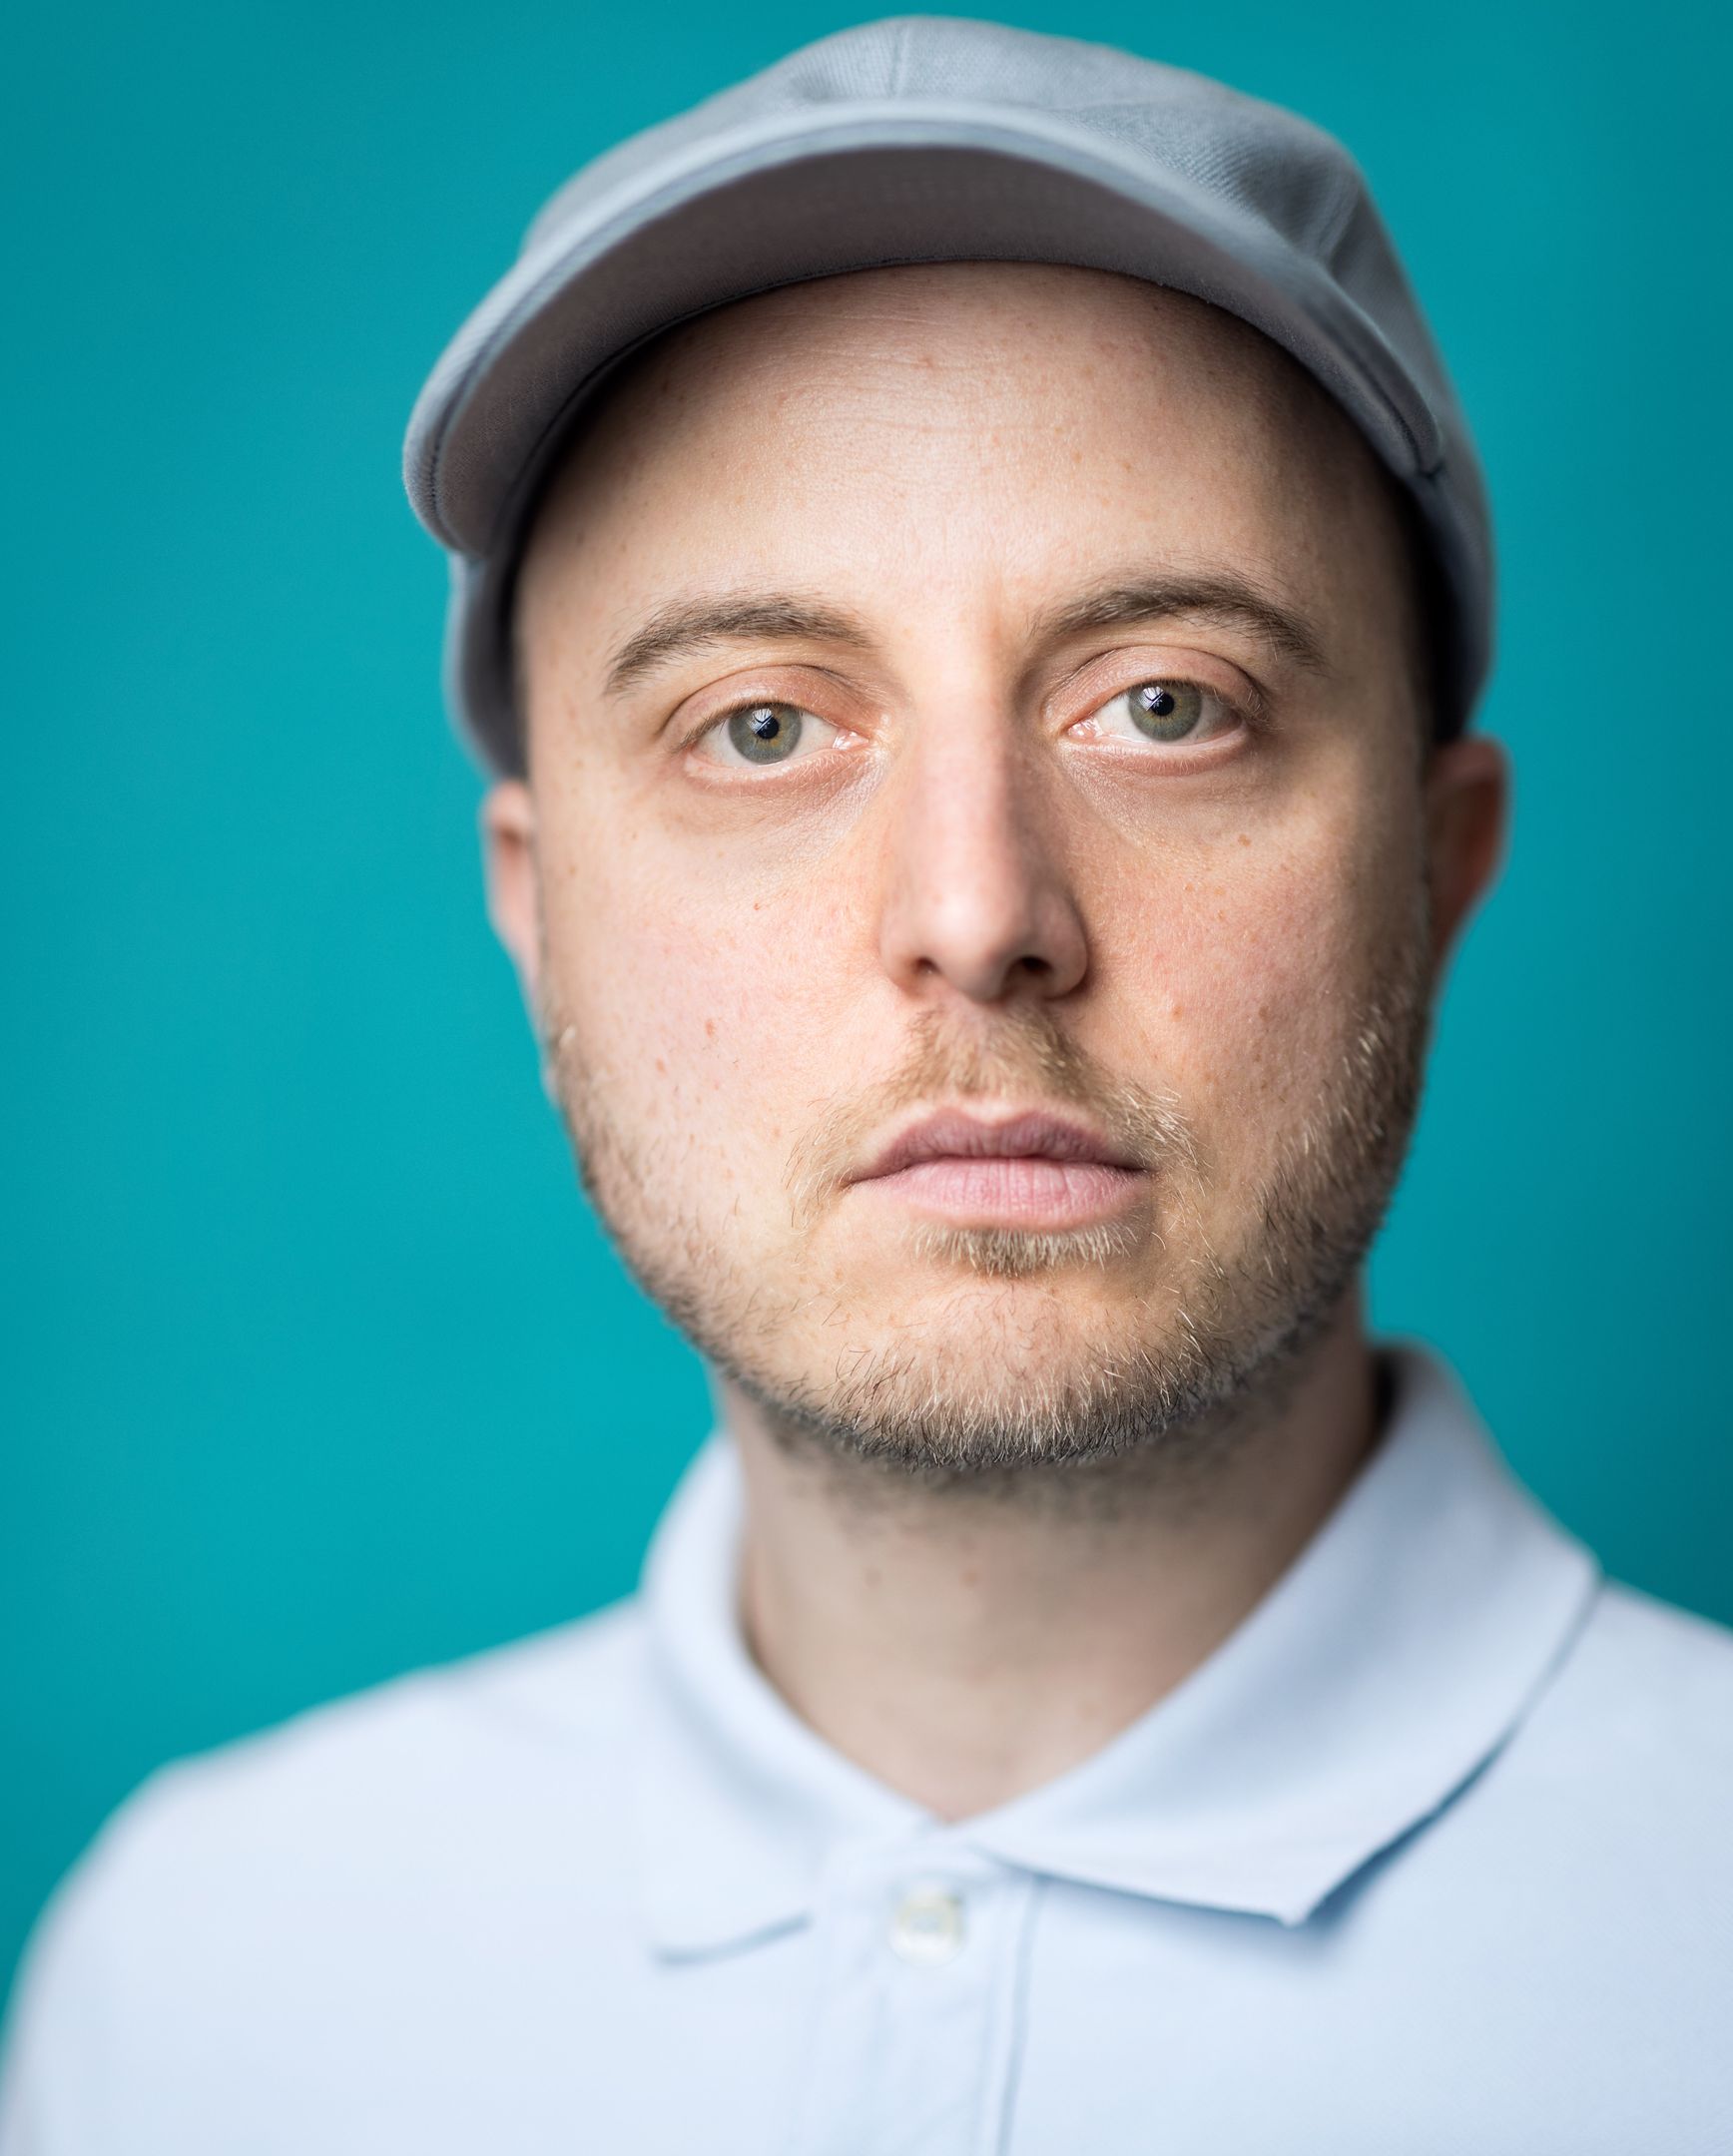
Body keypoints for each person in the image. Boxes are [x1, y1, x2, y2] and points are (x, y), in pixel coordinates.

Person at [2, 16, 1729, 2152]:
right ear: (539, 910)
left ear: (1435, 872)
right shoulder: (201, 1986)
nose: (976, 913)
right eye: (760, 727)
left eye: (1166, 704)